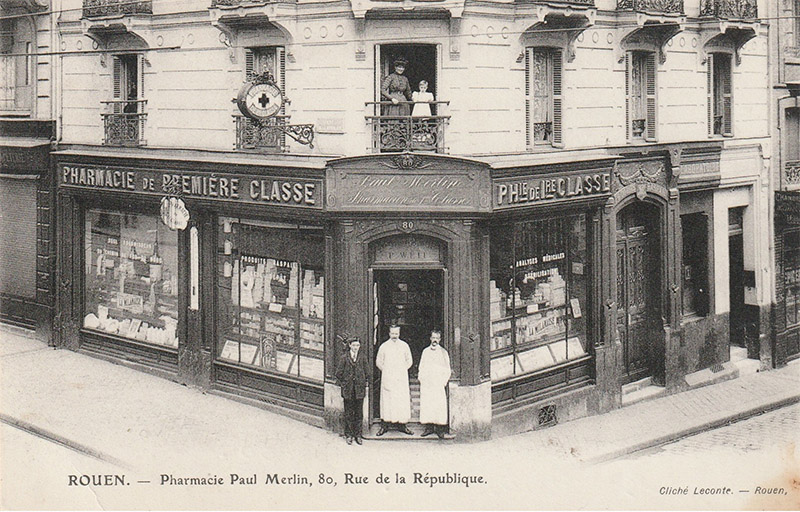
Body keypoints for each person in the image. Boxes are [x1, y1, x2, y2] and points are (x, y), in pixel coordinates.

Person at [375, 325, 413, 436]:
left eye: (396, 333)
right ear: (389, 333)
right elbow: (378, 362)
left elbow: (409, 361)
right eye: (393, 333)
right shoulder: (384, 346)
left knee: (401, 401)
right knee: (387, 401)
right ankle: (384, 426)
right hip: (388, 378)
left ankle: (402, 425)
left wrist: (401, 370)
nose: (394, 336)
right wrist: (386, 371)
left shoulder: (404, 346)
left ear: (399, 333)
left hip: (401, 379)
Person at [418, 330, 451, 439]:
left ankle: (440, 429)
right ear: (430, 338)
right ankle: (429, 428)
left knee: (438, 405)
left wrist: (443, 382)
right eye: (433, 338)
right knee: (428, 404)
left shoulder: (443, 353)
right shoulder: (425, 352)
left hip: (438, 384)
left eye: (437, 338)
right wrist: (422, 379)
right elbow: (421, 366)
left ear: (440, 339)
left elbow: (447, 369)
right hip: (427, 383)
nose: (435, 340)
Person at [336, 337, 369, 445]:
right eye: (354, 345)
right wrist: (345, 383)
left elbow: (367, 372)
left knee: (359, 413)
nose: (356, 347)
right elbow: (338, 373)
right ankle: (349, 435)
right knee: (348, 413)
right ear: (350, 345)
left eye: (357, 345)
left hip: (359, 389)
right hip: (348, 389)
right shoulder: (344, 358)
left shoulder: (362, 357)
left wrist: (362, 381)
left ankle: (358, 435)